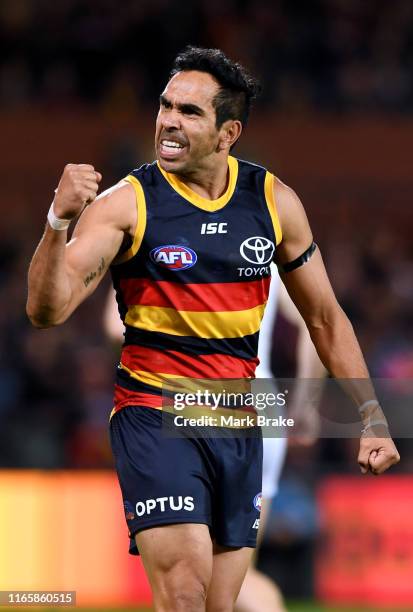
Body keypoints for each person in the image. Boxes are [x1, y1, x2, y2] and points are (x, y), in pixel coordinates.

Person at [27, 46, 400, 612]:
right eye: (165, 105)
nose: (169, 120)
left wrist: (371, 418)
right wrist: (58, 223)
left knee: (222, 605)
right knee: (184, 595)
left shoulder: (273, 202)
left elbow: (324, 317)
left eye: (190, 112)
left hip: (240, 415)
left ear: (229, 133)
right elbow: (46, 312)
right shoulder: (125, 204)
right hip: (154, 411)